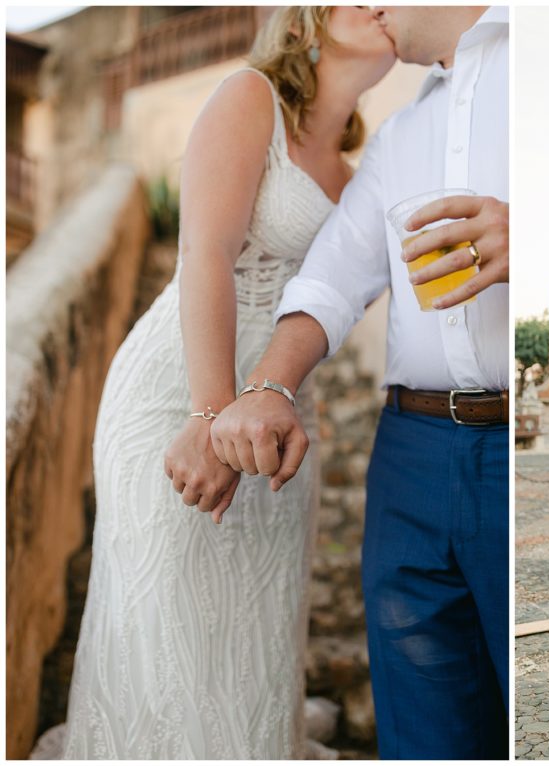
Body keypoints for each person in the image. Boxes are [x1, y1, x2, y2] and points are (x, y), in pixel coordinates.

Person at [62, 8, 396, 758]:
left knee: (255, 633)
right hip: (175, 392)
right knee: (161, 632)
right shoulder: (250, 98)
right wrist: (210, 413)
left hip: (283, 416)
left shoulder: (364, 179)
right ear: (308, 17)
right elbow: (205, 253)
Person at [201, 7, 510, 759]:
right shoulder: (402, 134)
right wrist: (267, 387)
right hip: (408, 455)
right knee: (422, 735)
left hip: (519, 451)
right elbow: (333, 277)